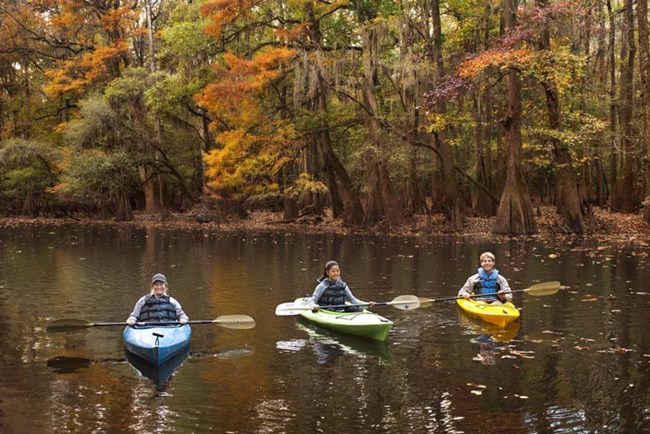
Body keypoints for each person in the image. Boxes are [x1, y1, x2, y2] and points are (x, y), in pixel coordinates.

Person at [308, 260, 375, 312]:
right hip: (327, 311)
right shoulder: (322, 286)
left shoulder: (343, 285)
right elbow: (313, 300)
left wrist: (367, 304)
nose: (336, 273)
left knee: (354, 308)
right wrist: (314, 306)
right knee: (331, 309)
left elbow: (353, 300)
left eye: (337, 271)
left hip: (341, 310)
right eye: (333, 271)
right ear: (327, 272)